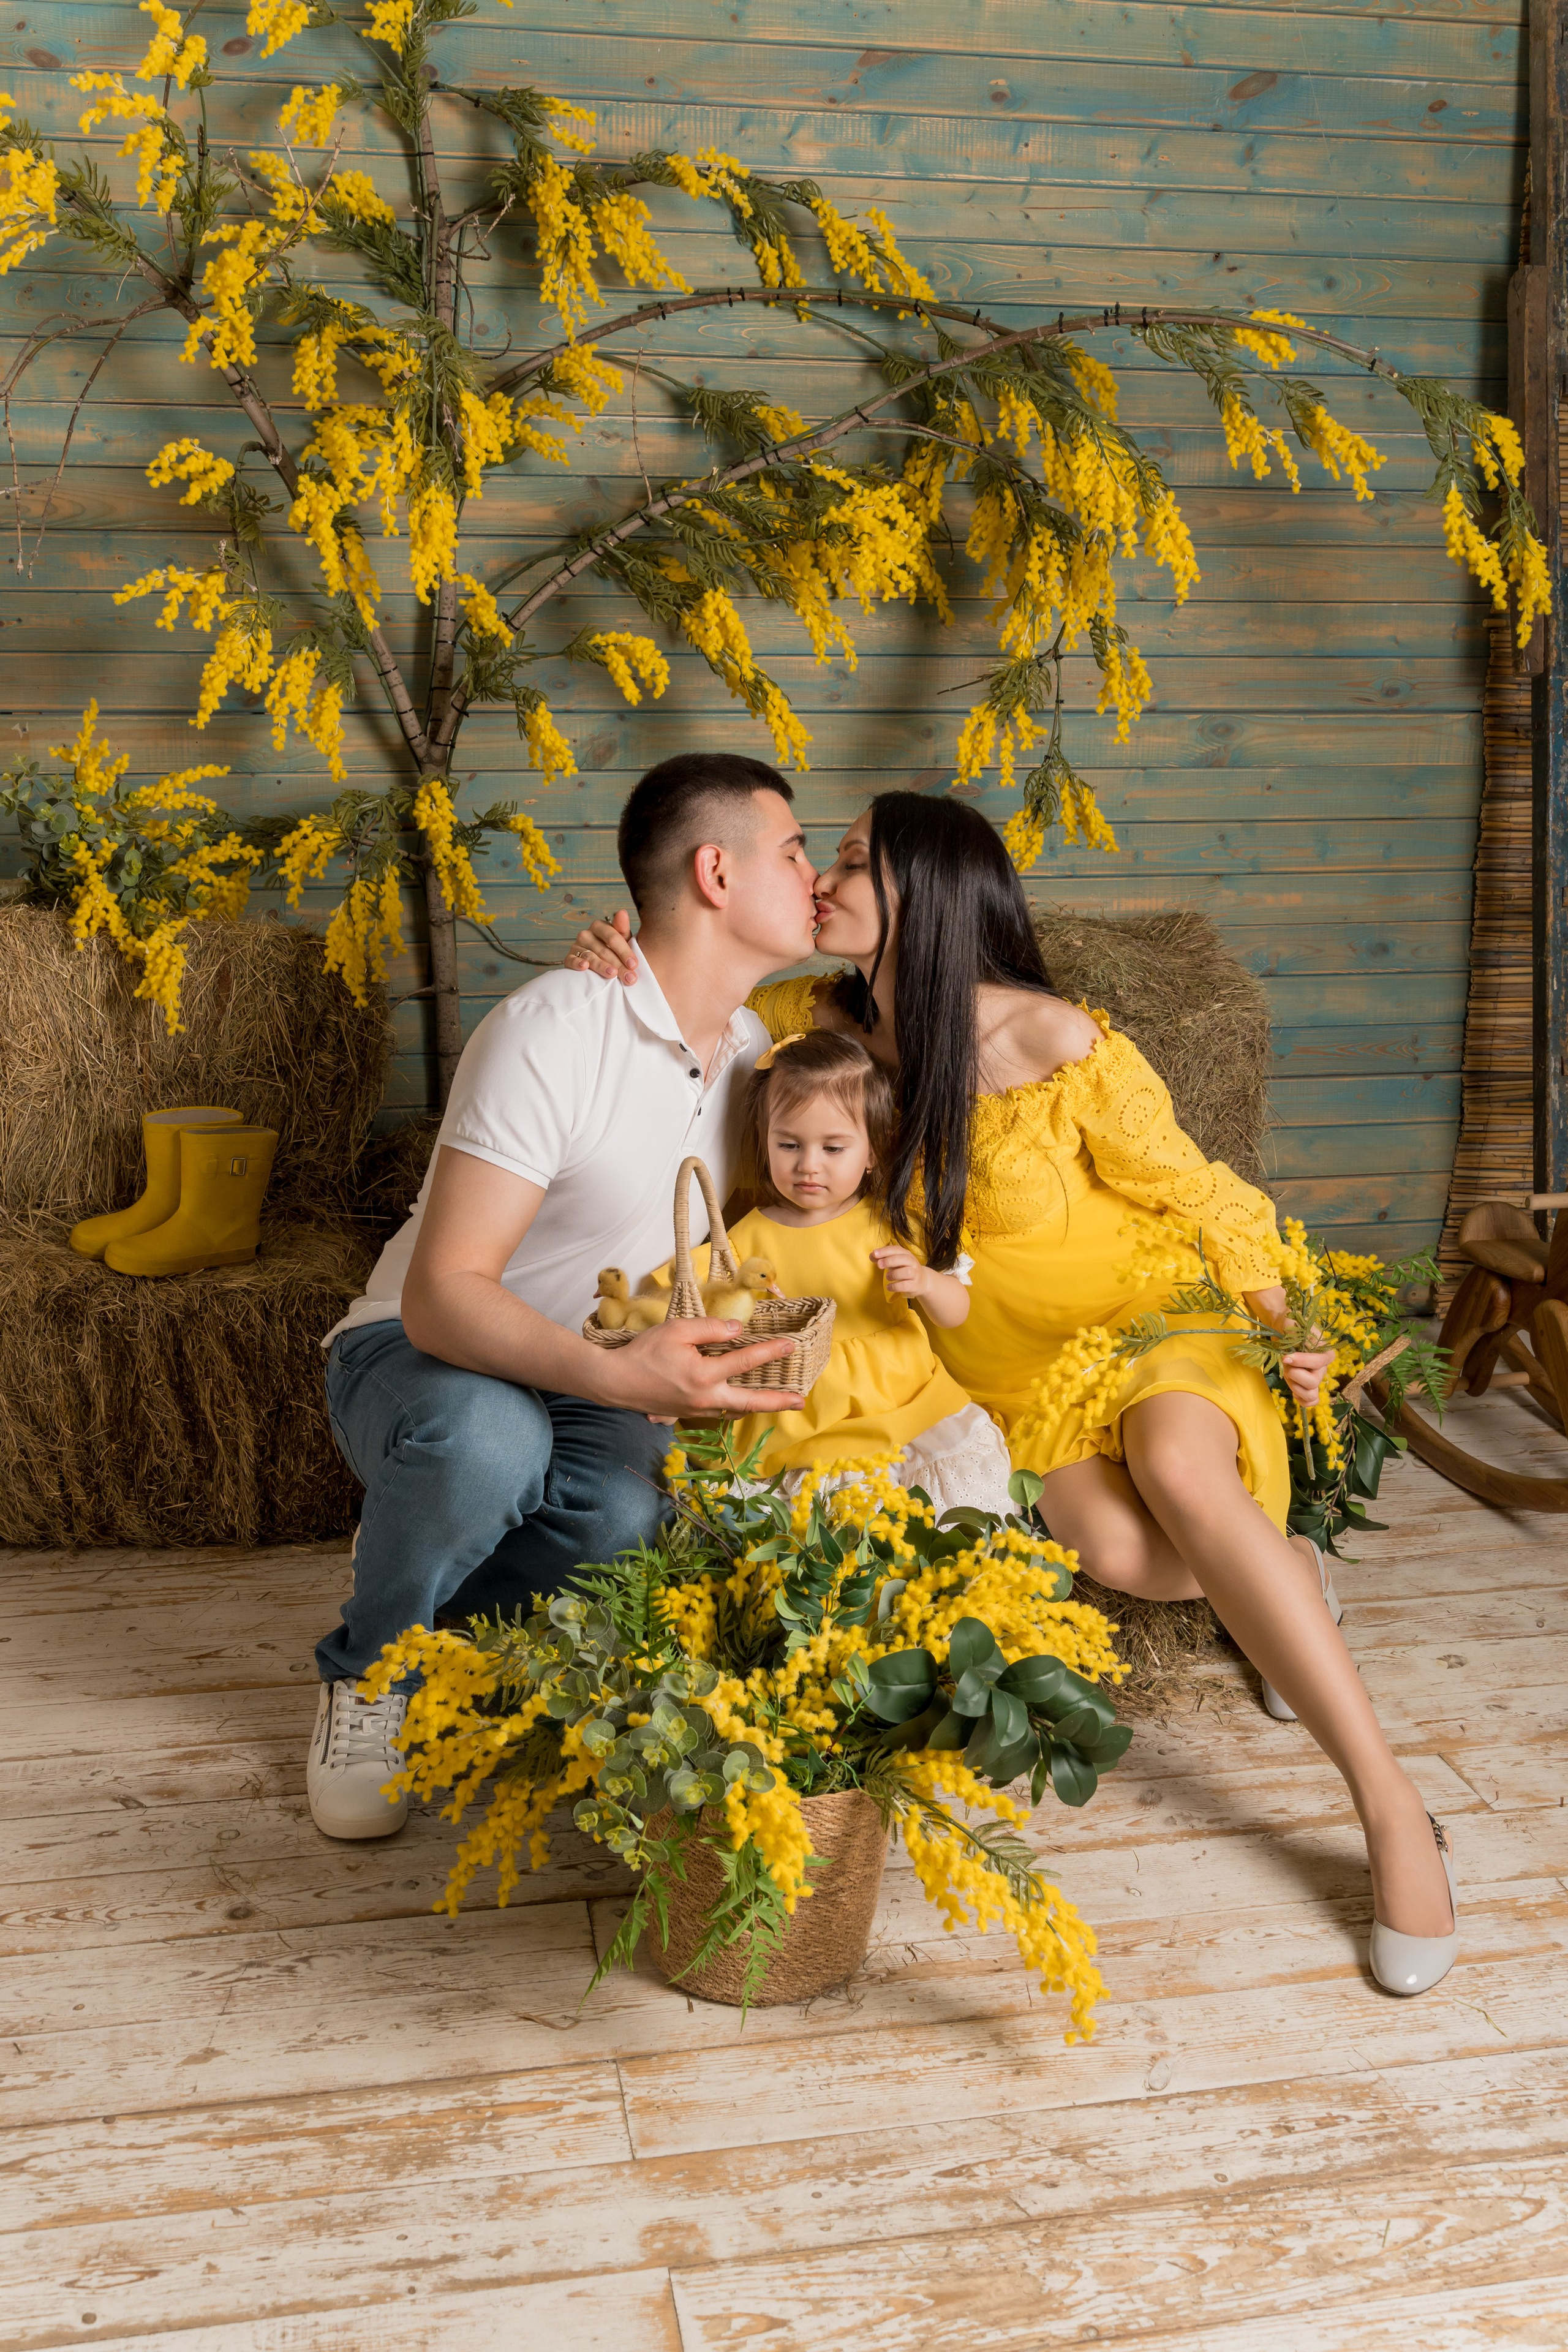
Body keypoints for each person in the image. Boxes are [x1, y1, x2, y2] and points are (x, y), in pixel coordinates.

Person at [564, 791, 1459, 1997]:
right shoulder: (807, 1023)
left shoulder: (1052, 1038)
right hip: (1015, 1376)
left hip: (1151, 1320)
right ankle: (1281, 1578)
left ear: (923, 896)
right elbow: (678, 1015)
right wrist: (613, 969)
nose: (819, 882)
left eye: (848, 865)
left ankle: (1388, 1808)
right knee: (1121, 1550)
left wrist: (1294, 1322)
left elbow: (1203, 1197)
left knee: (1183, 1471)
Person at [306, 750, 815, 1843]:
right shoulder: (556, 1029)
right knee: (488, 1442)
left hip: (582, 1369)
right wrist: (622, 1377)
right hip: (417, 1352)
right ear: (717, 873)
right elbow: (446, 1298)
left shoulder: (757, 1054)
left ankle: (436, 1592)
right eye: (796, 849)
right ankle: (370, 1673)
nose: (813, 875)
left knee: (627, 1521)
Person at [661, 1025, 1017, 1513]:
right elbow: (686, 1288)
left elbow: (956, 1312)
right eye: (789, 1145)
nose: (809, 1166)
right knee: (827, 1516)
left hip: (897, 1395)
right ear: (764, 1141)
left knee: (946, 1503)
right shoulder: (746, 1237)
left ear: (872, 1152)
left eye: (833, 1149)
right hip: (804, 1407)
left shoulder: (886, 1223)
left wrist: (926, 1282)